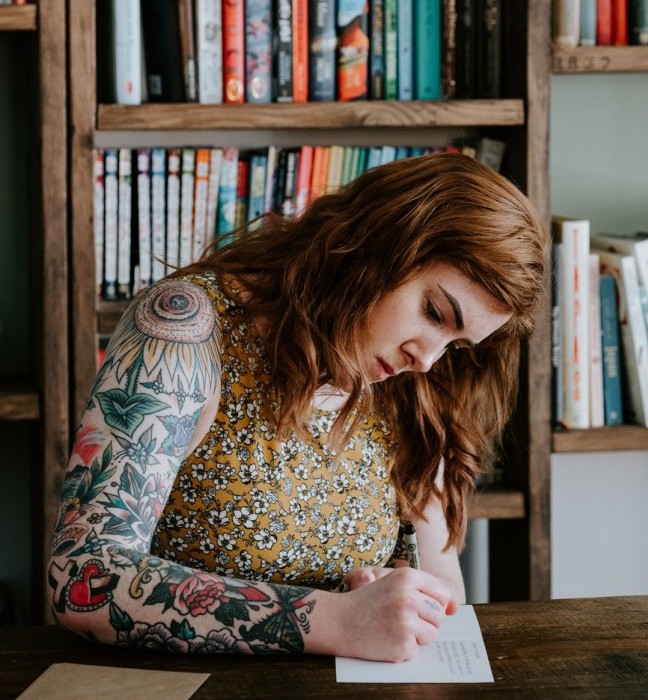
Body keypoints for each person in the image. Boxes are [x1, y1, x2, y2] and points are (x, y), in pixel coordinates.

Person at [47, 152, 547, 662]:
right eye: (434, 312)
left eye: (456, 345)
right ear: (379, 243)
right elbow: (85, 575)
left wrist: (398, 600)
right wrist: (336, 619)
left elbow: (446, 595)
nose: (427, 357)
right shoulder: (187, 331)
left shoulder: (412, 386)